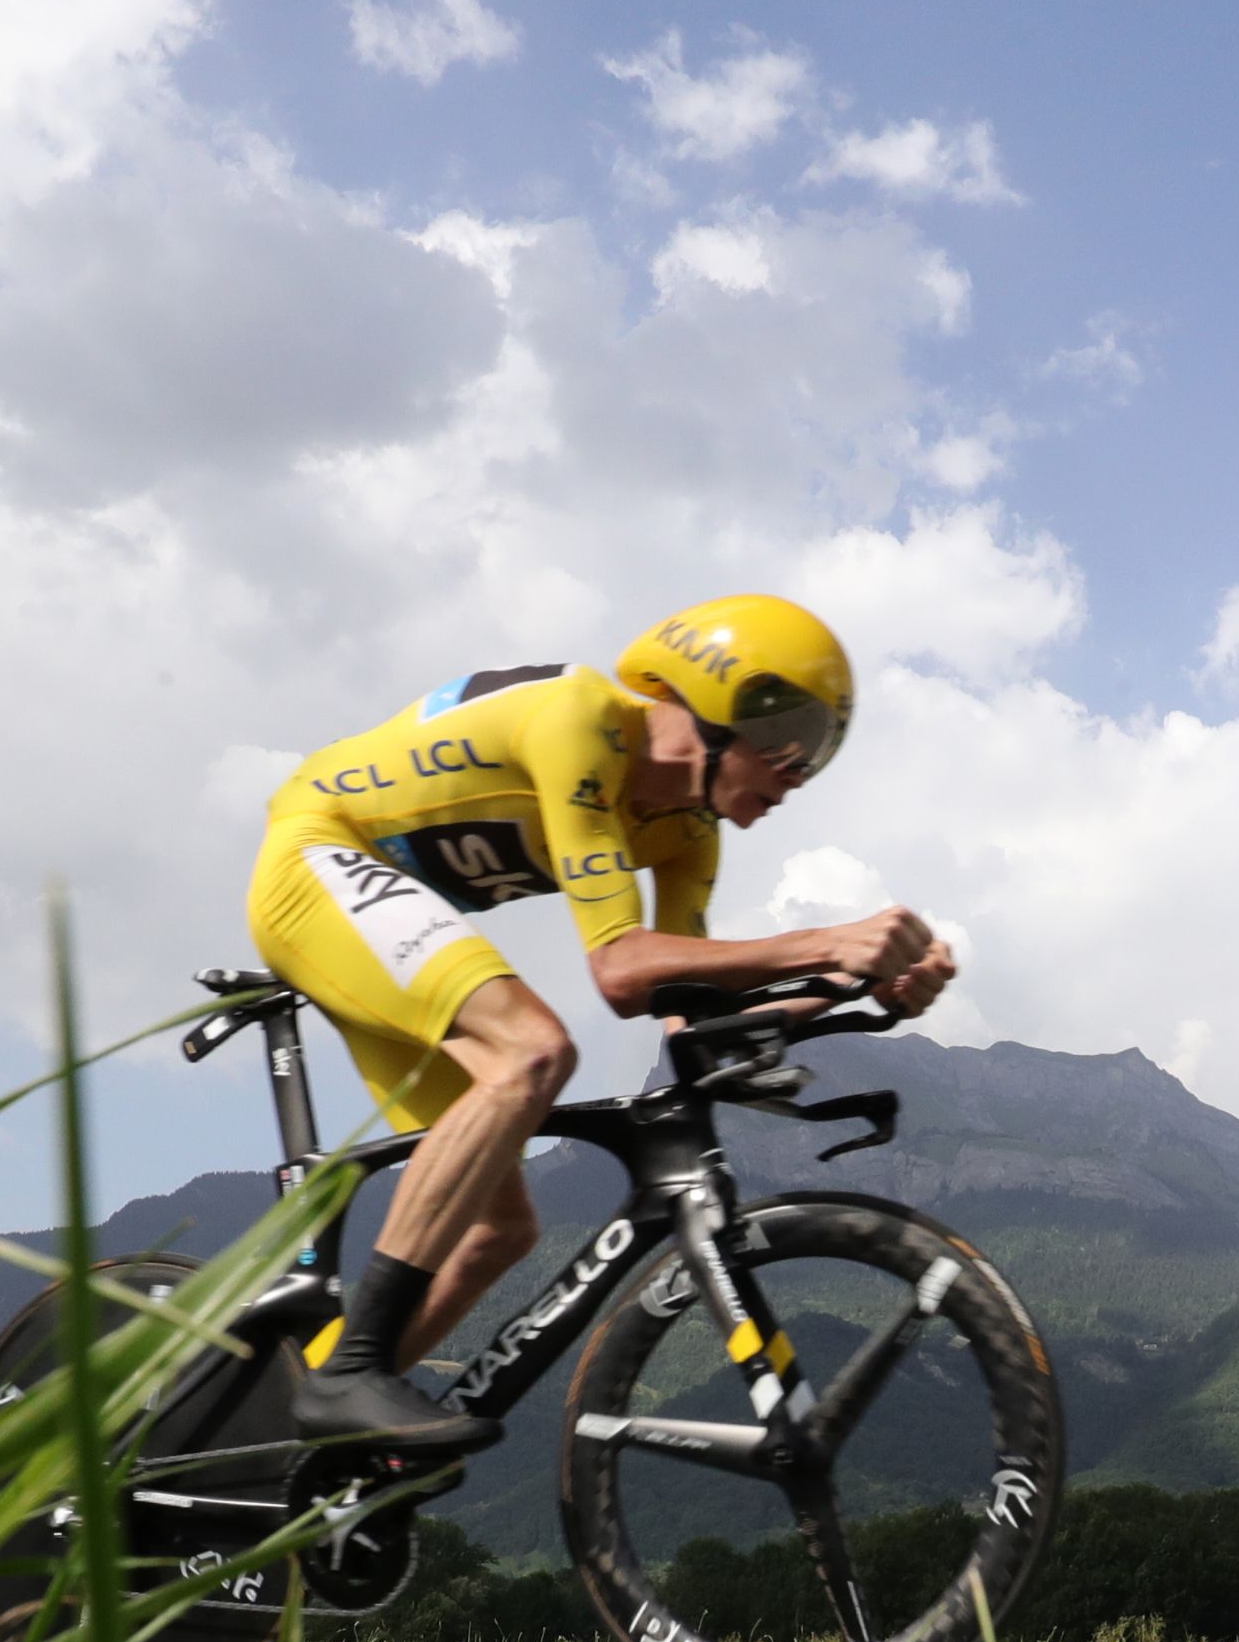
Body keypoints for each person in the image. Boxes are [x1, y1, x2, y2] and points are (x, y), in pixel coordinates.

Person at [247, 594, 954, 1450]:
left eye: (819, 758)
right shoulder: (579, 722)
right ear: (718, 698)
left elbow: (689, 1018)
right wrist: (826, 939)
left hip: (384, 914)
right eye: (792, 744)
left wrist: (856, 984)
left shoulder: (687, 832)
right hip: (318, 855)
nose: (796, 777)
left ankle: (298, 1444)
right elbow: (621, 970)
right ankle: (353, 1374)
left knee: (502, 1229)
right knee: (534, 1051)